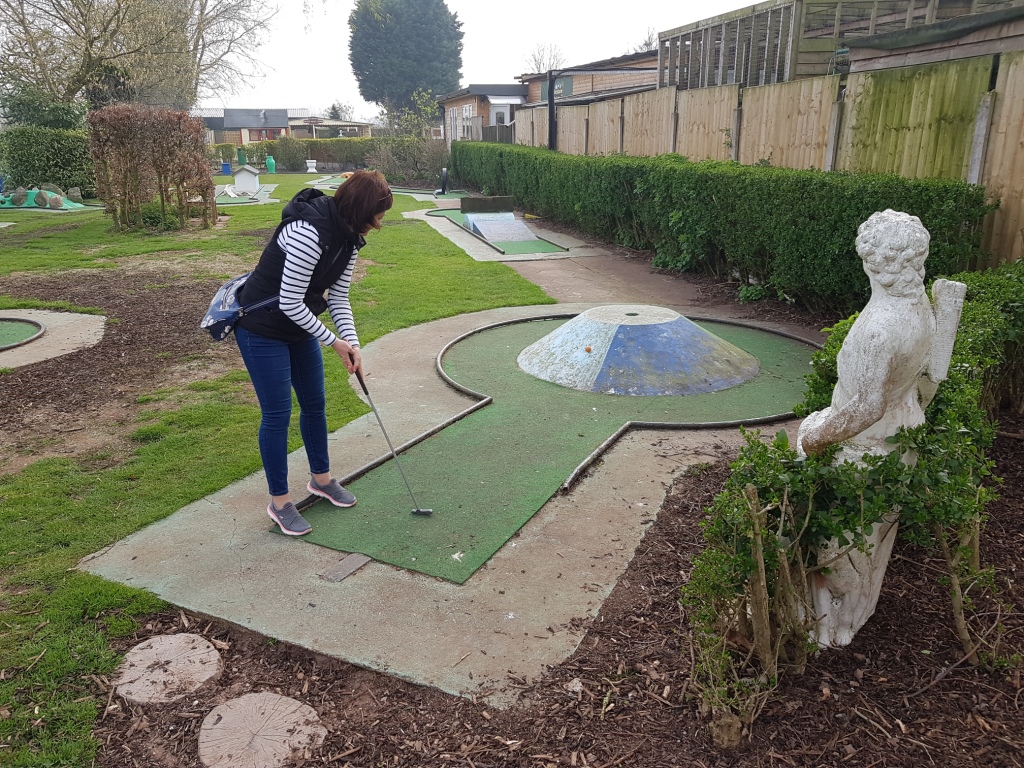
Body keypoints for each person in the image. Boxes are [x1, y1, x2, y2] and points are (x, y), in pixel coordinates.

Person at [234, 170, 393, 536]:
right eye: (379, 214)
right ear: (362, 209)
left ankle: (321, 480)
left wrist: (352, 344)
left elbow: (337, 297)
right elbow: (289, 302)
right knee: (277, 414)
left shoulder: (351, 237)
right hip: (262, 328)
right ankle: (280, 503)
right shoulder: (308, 231)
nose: (380, 222)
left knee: (315, 404)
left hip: (299, 326)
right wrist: (333, 342)